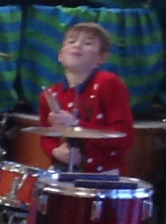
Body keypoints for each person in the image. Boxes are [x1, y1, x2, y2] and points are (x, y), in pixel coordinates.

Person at [37, 20, 133, 174]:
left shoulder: (108, 82)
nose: (77, 45)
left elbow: (125, 137)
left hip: (104, 176)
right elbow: (45, 136)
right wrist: (55, 151)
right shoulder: (49, 95)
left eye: (88, 43)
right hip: (63, 172)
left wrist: (76, 124)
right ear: (60, 55)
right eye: (71, 41)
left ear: (102, 58)